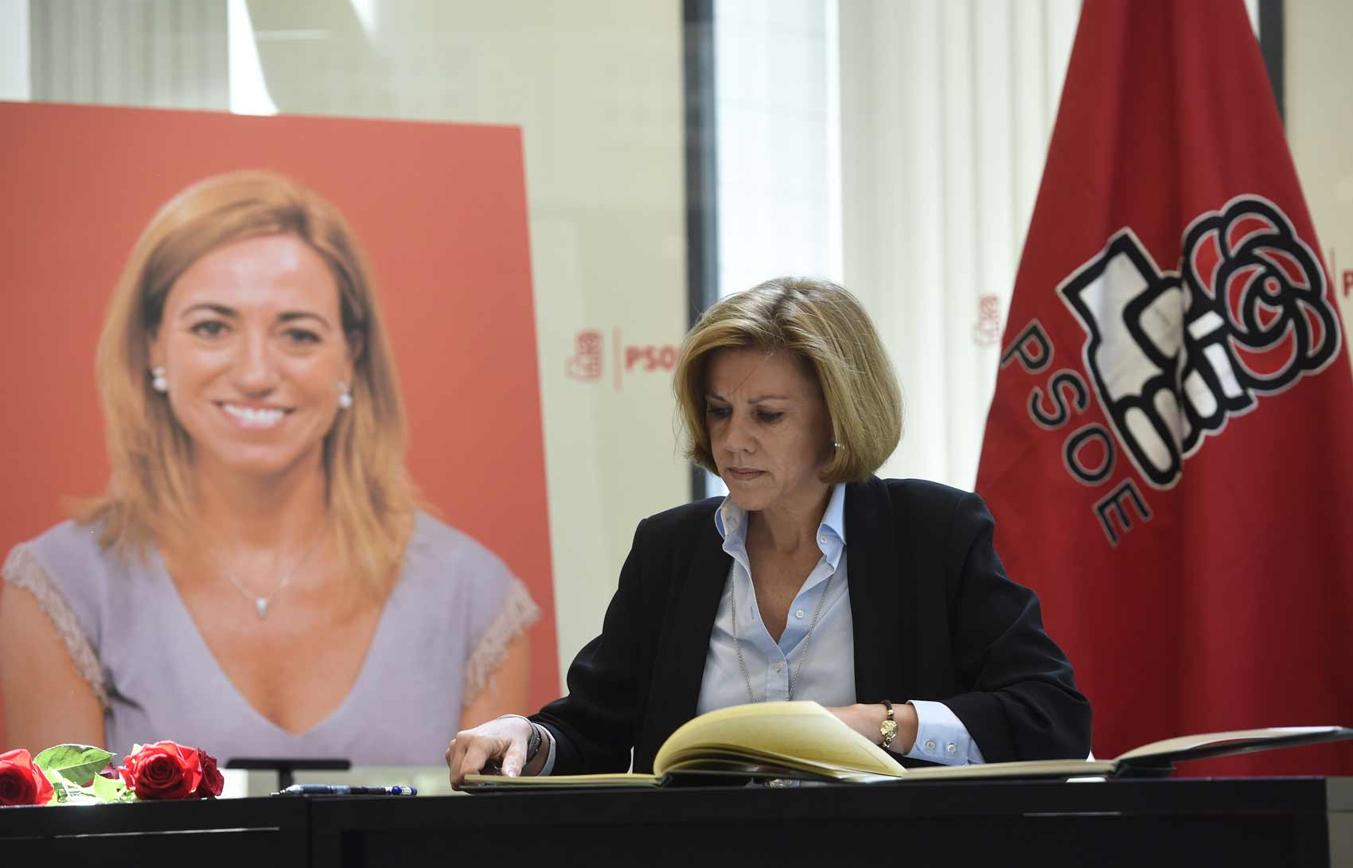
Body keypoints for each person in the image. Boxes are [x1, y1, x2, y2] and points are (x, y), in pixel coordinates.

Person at [447, 276, 1089, 783]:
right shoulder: (670, 550)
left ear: (839, 415)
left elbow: (1052, 718)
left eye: (768, 415)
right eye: (719, 412)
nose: (733, 441)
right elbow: (595, 728)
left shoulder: (934, 534)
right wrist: (525, 738)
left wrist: (877, 725)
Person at [0, 170, 537, 765]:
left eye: (298, 334)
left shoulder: (474, 597)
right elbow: (64, 851)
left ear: (350, 358)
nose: (256, 373)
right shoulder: (58, 590)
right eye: (212, 327)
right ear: (153, 343)